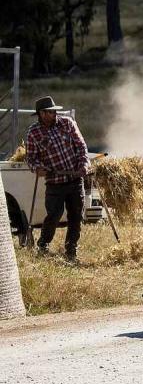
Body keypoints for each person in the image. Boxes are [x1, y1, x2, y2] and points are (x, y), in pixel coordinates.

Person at [23, 96, 89, 262]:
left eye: (52, 112)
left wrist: (84, 165)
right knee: (54, 214)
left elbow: (81, 147)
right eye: (46, 112)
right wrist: (37, 168)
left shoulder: (67, 123)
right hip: (54, 181)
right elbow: (30, 158)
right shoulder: (34, 132)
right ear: (40, 114)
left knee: (76, 215)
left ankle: (71, 250)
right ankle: (43, 244)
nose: (50, 115)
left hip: (74, 178)